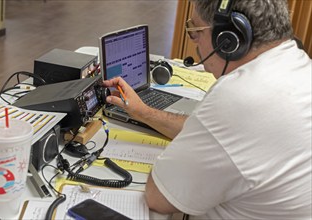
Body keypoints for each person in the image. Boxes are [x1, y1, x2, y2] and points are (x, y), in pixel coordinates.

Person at [103, 0, 312, 219]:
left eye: (195, 32)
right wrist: (144, 112)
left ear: (228, 39)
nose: (196, 46)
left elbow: (159, 198)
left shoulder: (239, 95)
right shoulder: (299, 65)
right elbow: (214, 132)